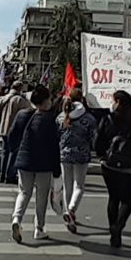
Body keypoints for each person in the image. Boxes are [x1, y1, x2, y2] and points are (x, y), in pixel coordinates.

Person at [94, 90, 131, 248]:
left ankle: (113, 229)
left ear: (117, 101)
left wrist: (102, 155)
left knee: (113, 198)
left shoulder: (109, 119)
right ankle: (118, 226)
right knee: (127, 199)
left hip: (109, 165)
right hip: (130, 166)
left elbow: (98, 140)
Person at [9, 85, 60, 243]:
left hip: (24, 160)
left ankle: (16, 219)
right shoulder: (49, 120)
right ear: (45, 101)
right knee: (41, 196)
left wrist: (16, 151)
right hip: (44, 163)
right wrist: (56, 169)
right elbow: (54, 146)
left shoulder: (22, 115)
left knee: (24, 192)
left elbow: (12, 135)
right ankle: (39, 228)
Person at [57, 89, 97, 234]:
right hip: (81, 154)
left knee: (67, 185)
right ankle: (72, 209)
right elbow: (93, 135)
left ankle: (68, 213)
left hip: (64, 154)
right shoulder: (88, 118)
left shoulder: (62, 116)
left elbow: (57, 134)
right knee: (78, 185)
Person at [0, 82, 31, 184]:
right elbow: (27, 111)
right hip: (14, 129)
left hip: (3, 128)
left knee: (4, 152)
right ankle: (10, 175)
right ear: (19, 88)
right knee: (13, 152)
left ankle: (2, 174)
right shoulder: (19, 100)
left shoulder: (4, 98)